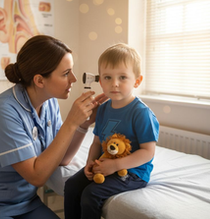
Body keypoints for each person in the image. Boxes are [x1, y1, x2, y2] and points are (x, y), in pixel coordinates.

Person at [0, 35, 107, 219]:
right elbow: (37, 176)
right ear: (39, 80)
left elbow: (62, 158)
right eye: (66, 73)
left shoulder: (49, 103)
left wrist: (83, 124)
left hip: (25, 204)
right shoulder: (3, 111)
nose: (74, 79)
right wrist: (70, 123)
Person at [64, 43, 159, 219]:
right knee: (71, 186)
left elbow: (148, 152)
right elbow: (97, 143)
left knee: (91, 194)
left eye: (123, 77)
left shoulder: (141, 113)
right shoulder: (103, 109)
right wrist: (90, 163)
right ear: (100, 81)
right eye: (108, 77)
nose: (114, 84)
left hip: (133, 172)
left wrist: (115, 165)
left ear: (137, 81)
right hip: (105, 163)